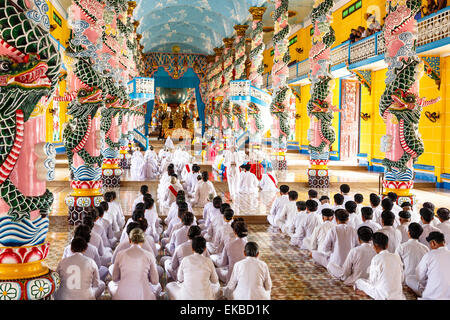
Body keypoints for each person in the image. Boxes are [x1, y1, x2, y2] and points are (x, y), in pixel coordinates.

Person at [109, 228, 160, 300]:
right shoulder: (149, 255)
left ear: (129, 240)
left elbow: (115, 279)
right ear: (143, 241)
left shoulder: (120, 254)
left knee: (111, 284)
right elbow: (155, 281)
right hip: (144, 296)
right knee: (158, 286)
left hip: (122, 296)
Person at [355, 232, 406, 300]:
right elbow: (402, 278)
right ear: (387, 245)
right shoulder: (396, 257)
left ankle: (367, 293)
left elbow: (373, 281)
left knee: (358, 282)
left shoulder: (376, 258)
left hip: (382, 296)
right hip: (397, 295)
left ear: (374, 246)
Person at [315, 209, 359, 279]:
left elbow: (325, 249)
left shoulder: (333, 230)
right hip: (350, 265)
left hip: (335, 264)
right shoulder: (353, 230)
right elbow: (357, 247)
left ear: (335, 219)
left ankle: (340, 274)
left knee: (315, 254)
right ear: (348, 219)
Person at [395, 222, 429, 295]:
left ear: (408, 233)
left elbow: (397, 266)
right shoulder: (425, 248)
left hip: (406, 283)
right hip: (421, 284)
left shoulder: (402, 247)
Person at [417, 231, 450, 299]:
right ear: (444, 241)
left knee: (410, 278)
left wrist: (424, 285)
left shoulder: (430, 255)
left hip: (432, 296)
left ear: (433, 243)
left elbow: (420, 275)